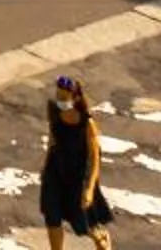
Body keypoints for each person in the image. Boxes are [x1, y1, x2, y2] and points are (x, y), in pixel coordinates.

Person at [38, 75, 114, 250]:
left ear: (76, 97)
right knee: (52, 217)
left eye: (64, 98)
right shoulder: (55, 111)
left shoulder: (86, 122)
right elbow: (52, 141)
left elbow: (95, 156)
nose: (60, 101)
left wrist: (89, 189)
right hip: (55, 172)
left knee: (82, 223)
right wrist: (45, 167)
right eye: (58, 96)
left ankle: (101, 238)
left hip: (78, 177)